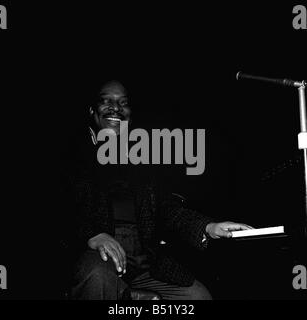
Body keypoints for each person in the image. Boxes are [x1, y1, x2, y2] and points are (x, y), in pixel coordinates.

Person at [66, 80, 253, 300]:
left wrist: (209, 227)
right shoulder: (71, 154)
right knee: (98, 277)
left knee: (198, 297)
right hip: (96, 258)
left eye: (123, 103)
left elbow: (167, 209)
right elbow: (58, 207)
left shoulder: (144, 157)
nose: (115, 107)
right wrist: (92, 235)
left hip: (145, 265)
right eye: (106, 101)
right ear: (92, 110)